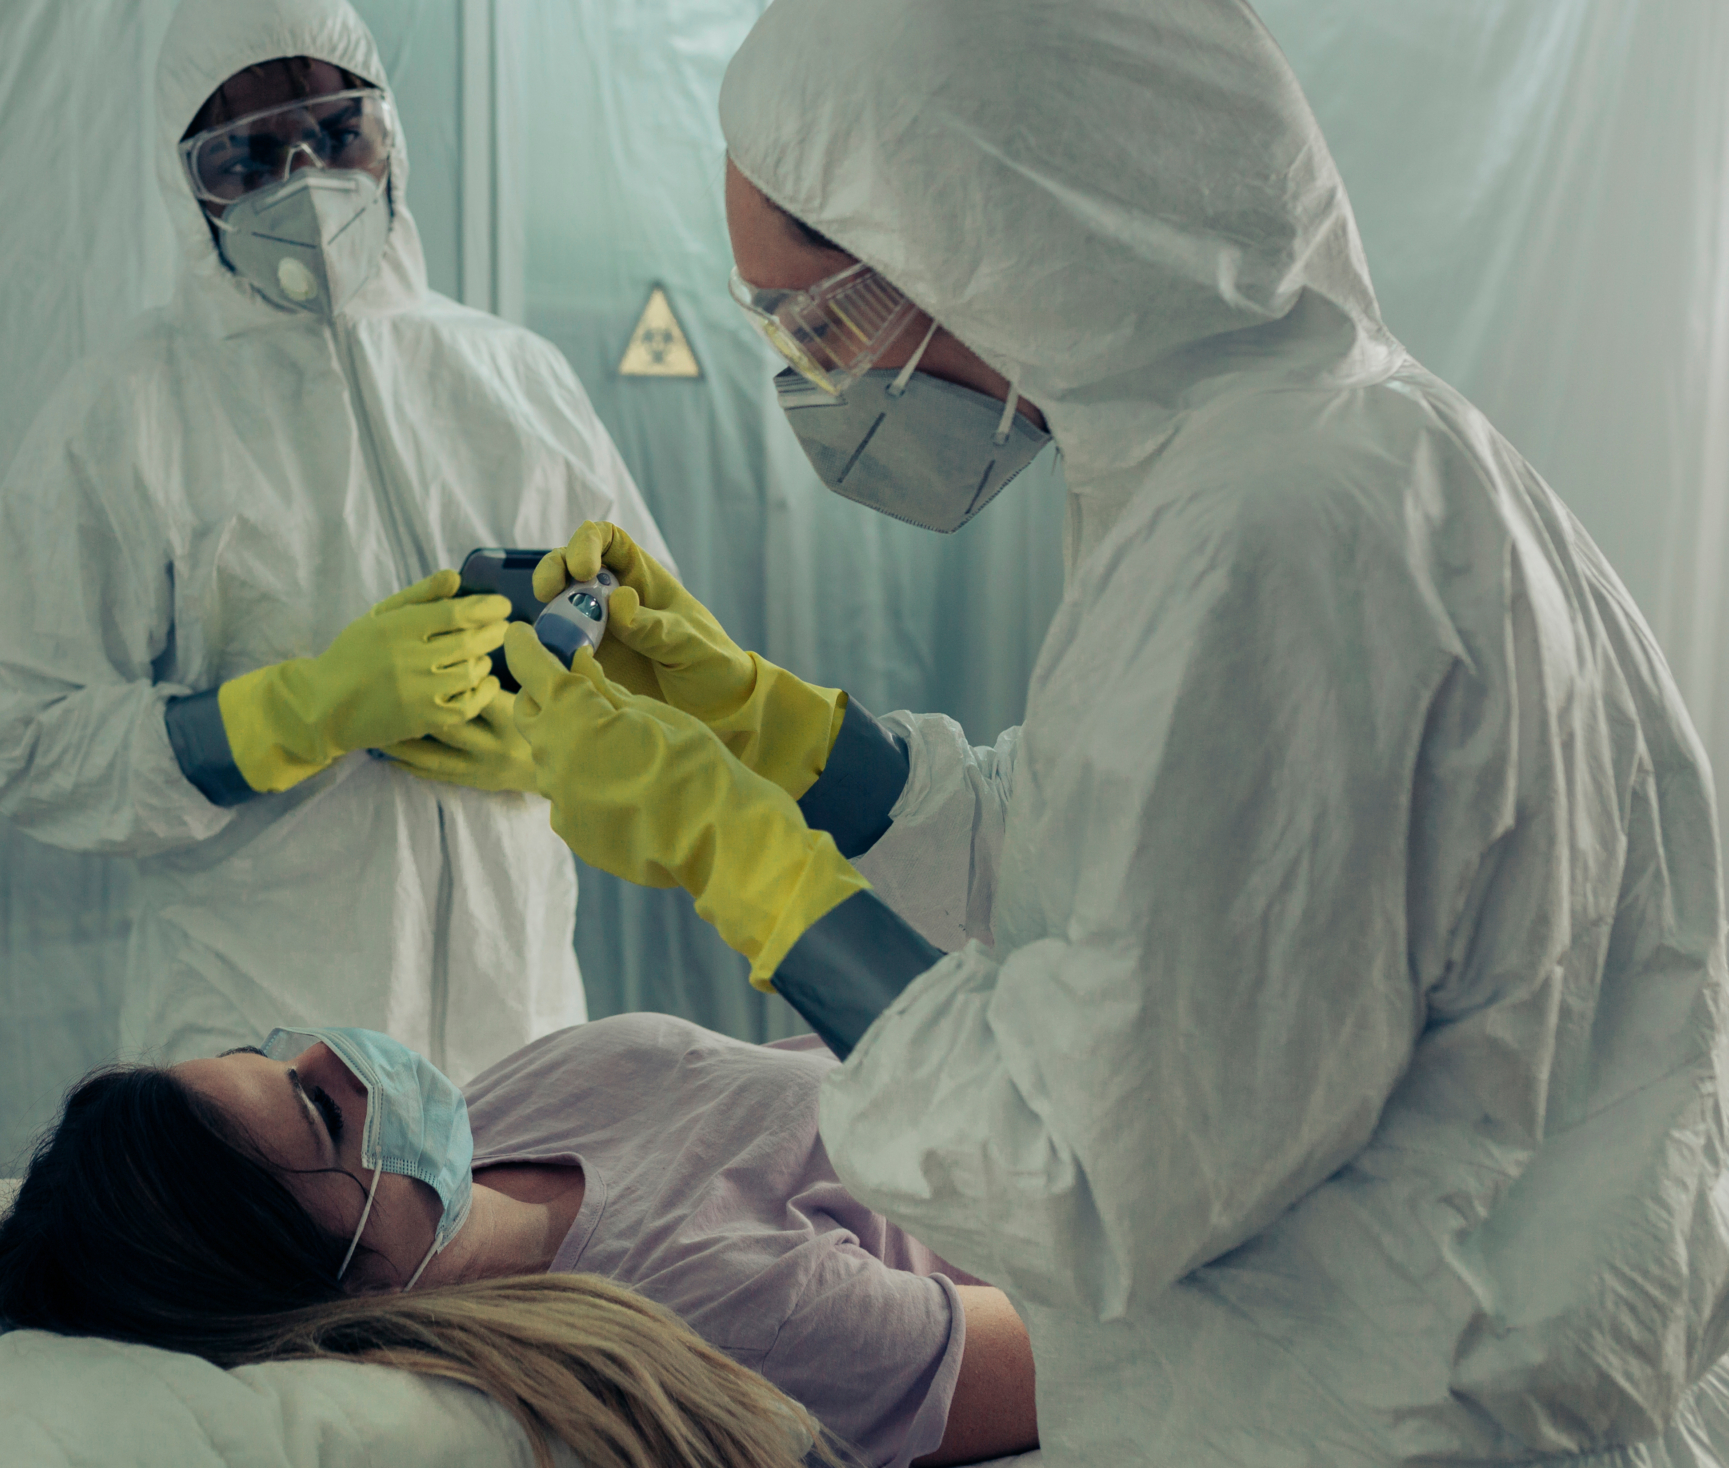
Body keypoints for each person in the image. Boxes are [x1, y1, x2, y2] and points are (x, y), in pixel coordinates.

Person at [499, 0, 1729, 1463]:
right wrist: (771, 730)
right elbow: (1129, 862)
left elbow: (1079, 1161)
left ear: (1002, 225)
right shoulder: (1337, 451)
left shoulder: (1269, 533)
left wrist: (737, 858)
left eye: (829, 321)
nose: (823, 382)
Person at [0, 0, 671, 1080]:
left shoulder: (518, 382)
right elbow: (30, 742)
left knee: (520, 1254)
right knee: (275, 1252)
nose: (305, 175)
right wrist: (286, 715)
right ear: (185, 183)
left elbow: (661, 648)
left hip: (519, 1026)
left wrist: (568, 743)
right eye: (246, 153)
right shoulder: (125, 413)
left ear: (388, 137)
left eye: (337, 131)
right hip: (261, 1059)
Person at [0, 1014, 1042, 1468]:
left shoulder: (487, 1133)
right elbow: (1071, 1355)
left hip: (977, 1025)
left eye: (276, 1055)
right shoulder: (725, 1302)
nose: (338, 1053)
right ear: (335, 1274)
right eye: (320, 1111)